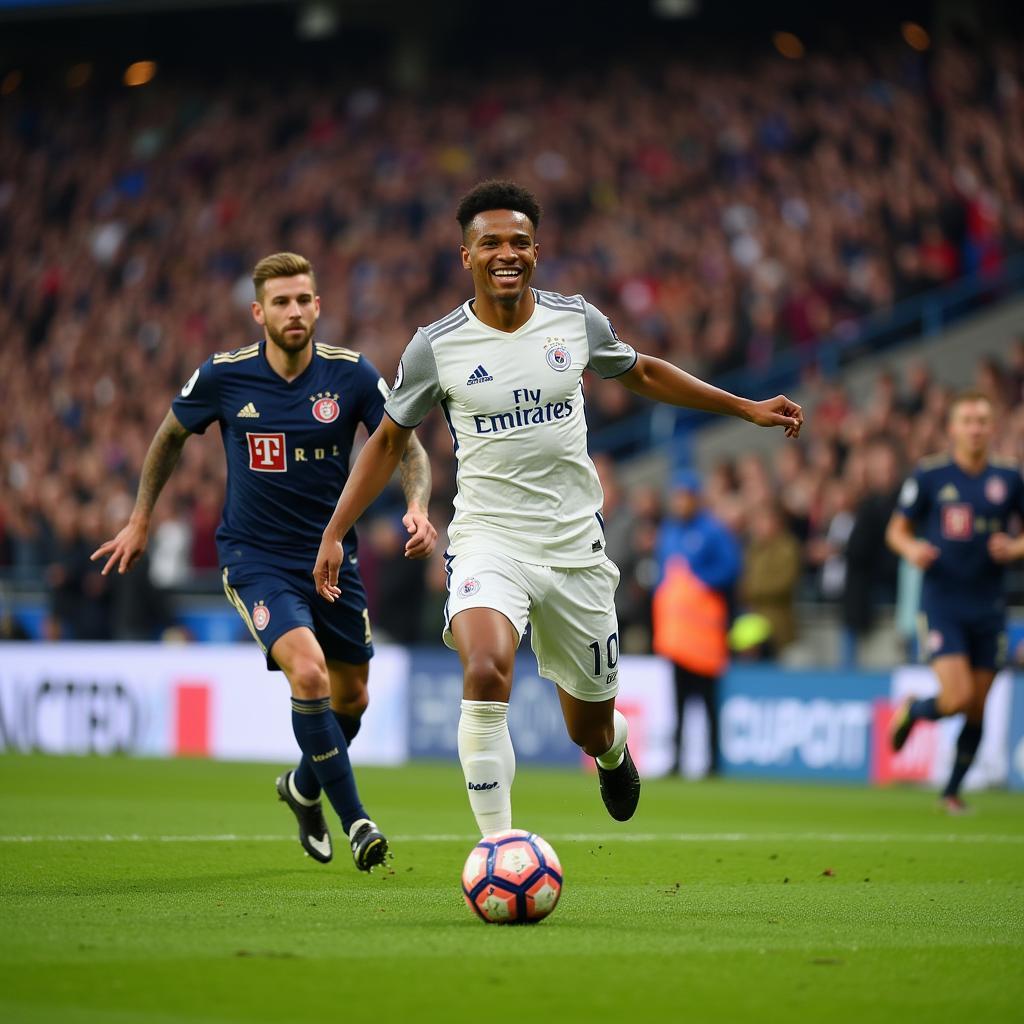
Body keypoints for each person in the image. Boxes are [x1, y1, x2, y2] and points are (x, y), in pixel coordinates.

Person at [312, 181, 802, 836]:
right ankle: (498, 846)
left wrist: (744, 407)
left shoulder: (576, 321)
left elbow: (646, 373)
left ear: (536, 251)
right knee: (484, 671)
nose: (506, 253)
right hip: (488, 540)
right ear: (467, 257)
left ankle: (612, 748)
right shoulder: (437, 345)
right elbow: (388, 442)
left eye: (518, 241)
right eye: (490, 243)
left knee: (588, 725)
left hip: (574, 551)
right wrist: (336, 531)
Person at [92, 252, 436, 870]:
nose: (295, 311)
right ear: (259, 313)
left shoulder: (351, 375)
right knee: (310, 677)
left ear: (318, 306)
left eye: (304, 299)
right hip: (255, 559)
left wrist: (416, 503)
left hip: (332, 558)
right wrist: (141, 518)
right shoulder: (225, 377)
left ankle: (304, 788)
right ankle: (356, 821)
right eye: (281, 302)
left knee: (351, 698)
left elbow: (403, 445)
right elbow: (169, 436)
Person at [886, 391, 1024, 813]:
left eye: (982, 420)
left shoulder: (1010, 478)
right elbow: (897, 531)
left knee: (978, 706)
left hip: (988, 605)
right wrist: (912, 551)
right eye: (967, 420)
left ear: (991, 427)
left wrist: (1015, 549)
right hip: (943, 602)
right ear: (952, 428)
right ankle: (915, 710)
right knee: (958, 697)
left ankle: (952, 791)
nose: (975, 428)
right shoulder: (930, 476)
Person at [652, 468, 741, 776]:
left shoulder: (713, 531)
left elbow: (731, 568)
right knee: (677, 704)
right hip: (677, 636)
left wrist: (700, 582)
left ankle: (713, 763)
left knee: (707, 702)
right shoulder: (670, 531)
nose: (680, 503)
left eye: (685, 497)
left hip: (704, 637)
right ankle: (676, 760)